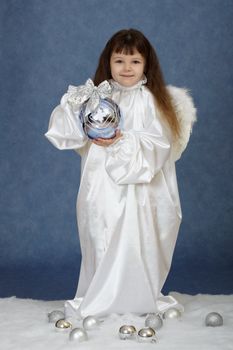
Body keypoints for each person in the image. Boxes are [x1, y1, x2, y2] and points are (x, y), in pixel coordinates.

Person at [45, 28, 197, 319]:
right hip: (101, 184)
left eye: (135, 62)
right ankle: (101, 295)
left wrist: (121, 141)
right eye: (119, 61)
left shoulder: (152, 102)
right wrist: (75, 106)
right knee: (101, 231)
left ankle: (137, 296)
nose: (127, 68)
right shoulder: (98, 97)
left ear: (147, 65)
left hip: (140, 190)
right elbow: (70, 133)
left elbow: (158, 146)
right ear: (108, 62)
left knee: (137, 239)